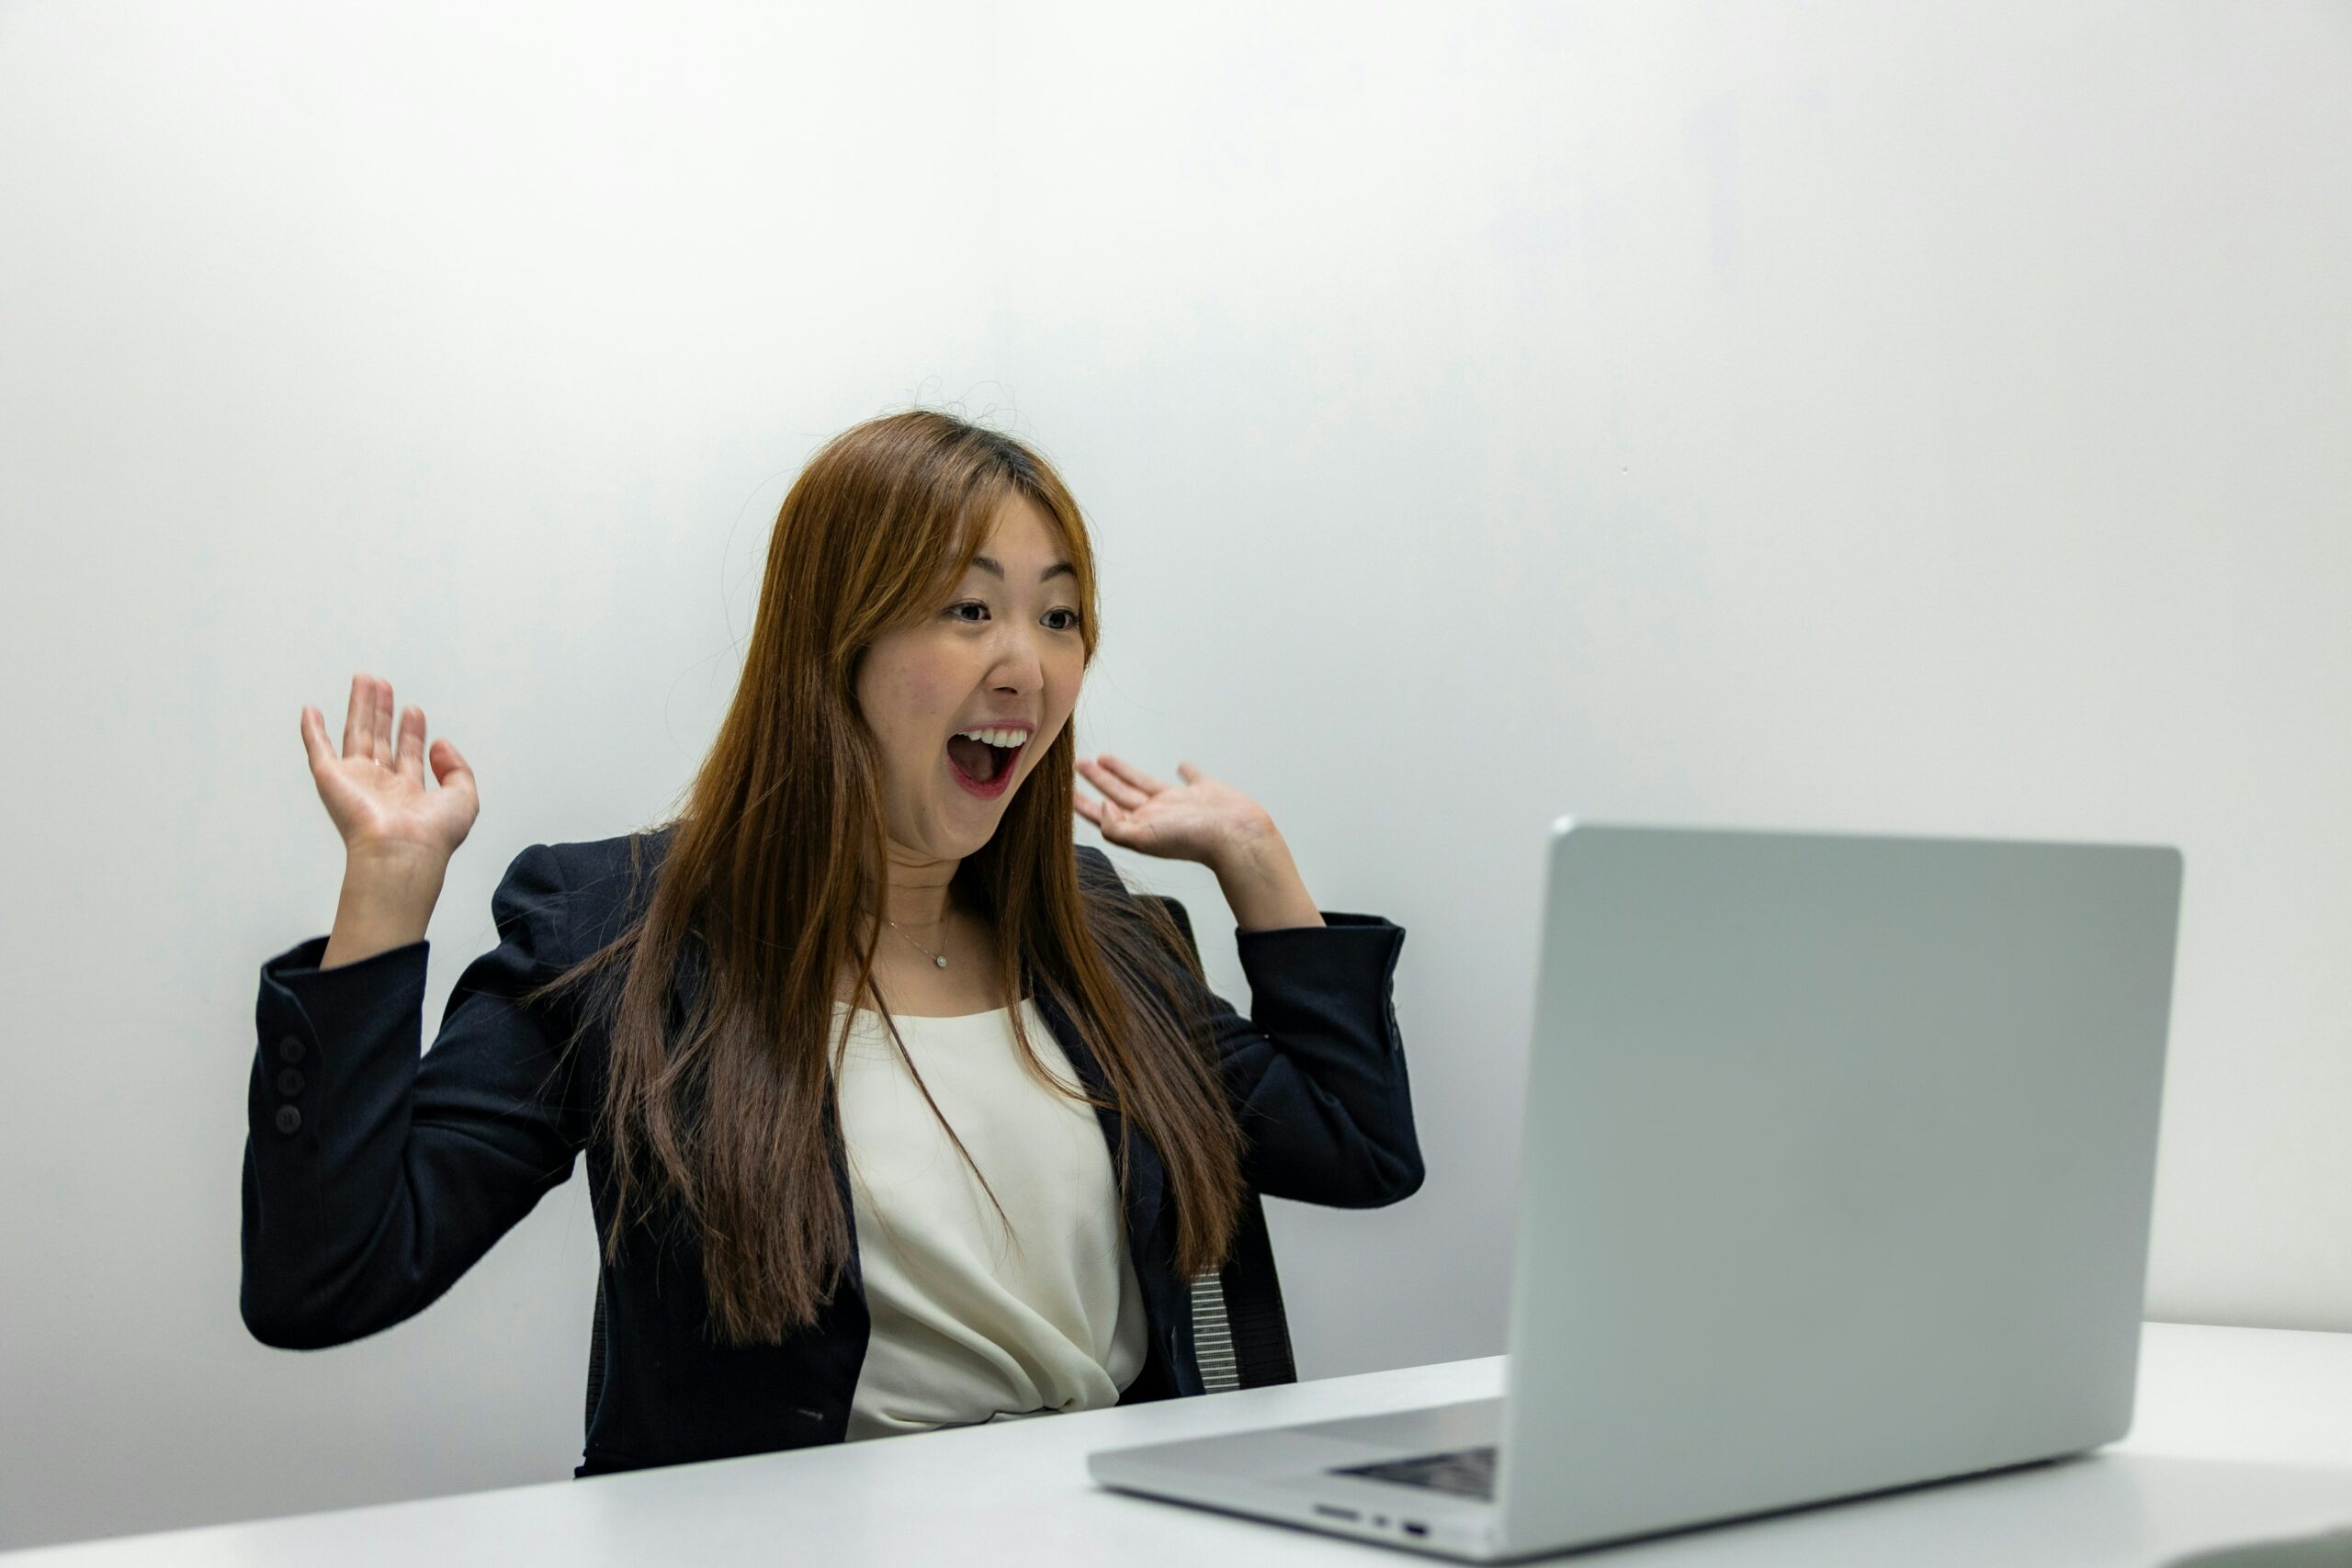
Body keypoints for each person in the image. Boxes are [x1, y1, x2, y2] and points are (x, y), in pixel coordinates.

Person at [241, 409, 1424, 1477]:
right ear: (834, 641)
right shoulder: (615, 934)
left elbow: (1362, 1153)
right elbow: (329, 1277)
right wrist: (389, 890)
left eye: (1059, 616)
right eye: (971, 609)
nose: (1029, 662)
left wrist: (1258, 864)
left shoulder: (1098, 933)